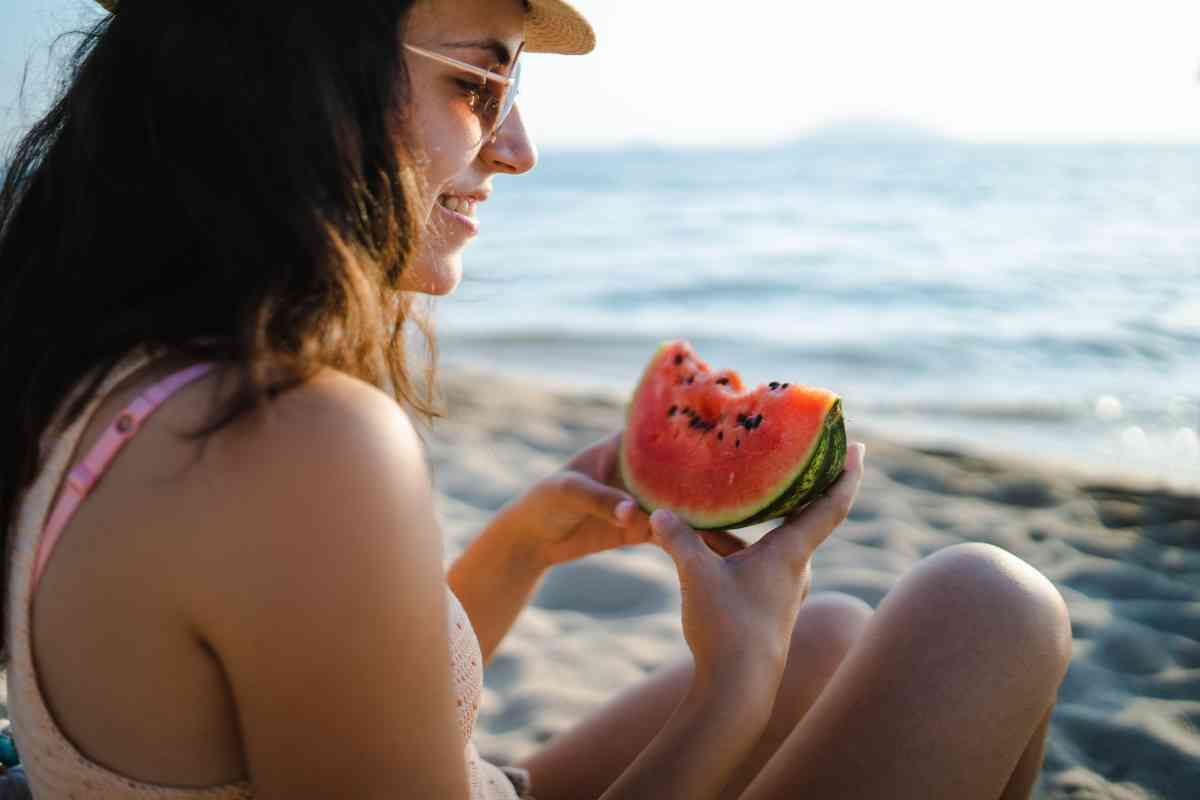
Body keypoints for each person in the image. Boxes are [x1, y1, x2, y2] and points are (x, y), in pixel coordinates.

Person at [0, 0, 1073, 797]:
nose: (518, 147)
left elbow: (321, 692)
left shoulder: (112, 375)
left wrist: (520, 543)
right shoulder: (292, 440)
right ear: (295, 75)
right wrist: (729, 687)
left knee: (834, 633)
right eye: (479, 83)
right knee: (990, 605)